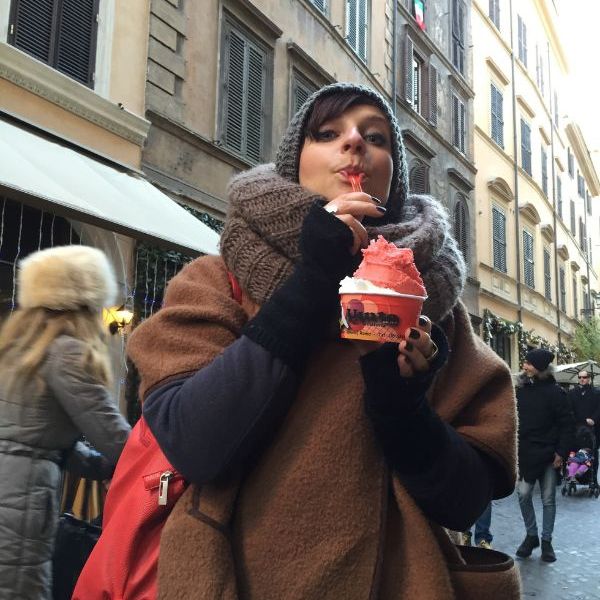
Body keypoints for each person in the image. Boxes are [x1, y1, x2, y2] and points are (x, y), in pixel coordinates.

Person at [128, 82, 520, 599]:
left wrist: (401, 409)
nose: (354, 142)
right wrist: (313, 282)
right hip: (233, 577)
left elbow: (465, 501)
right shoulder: (219, 280)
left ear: (393, 178)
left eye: (375, 136)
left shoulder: (435, 307)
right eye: (327, 133)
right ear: (296, 163)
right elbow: (194, 445)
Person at [0, 246, 131, 599]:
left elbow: (41, 439)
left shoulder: (15, 352)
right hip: (21, 500)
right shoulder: (66, 353)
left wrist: (101, 466)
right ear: (86, 307)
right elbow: (118, 440)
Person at [515, 348, 575, 563]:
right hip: (527, 453)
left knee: (548, 499)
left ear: (539, 367)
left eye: (529, 363)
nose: (525, 366)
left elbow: (566, 426)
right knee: (523, 495)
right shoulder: (521, 390)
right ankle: (531, 536)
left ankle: (546, 541)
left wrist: (561, 452)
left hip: (550, 455)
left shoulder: (557, 393)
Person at [568, 370, 600, 483]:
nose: (582, 379)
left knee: (592, 455)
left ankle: (593, 480)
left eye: (585, 377)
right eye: (580, 377)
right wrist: (579, 420)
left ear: (589, 378)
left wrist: (594, 419)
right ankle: (575, 477)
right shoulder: (572, 393)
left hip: (592, 429)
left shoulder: (596, 392)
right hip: (576, 429)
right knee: (576, 455)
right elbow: (570, 410)